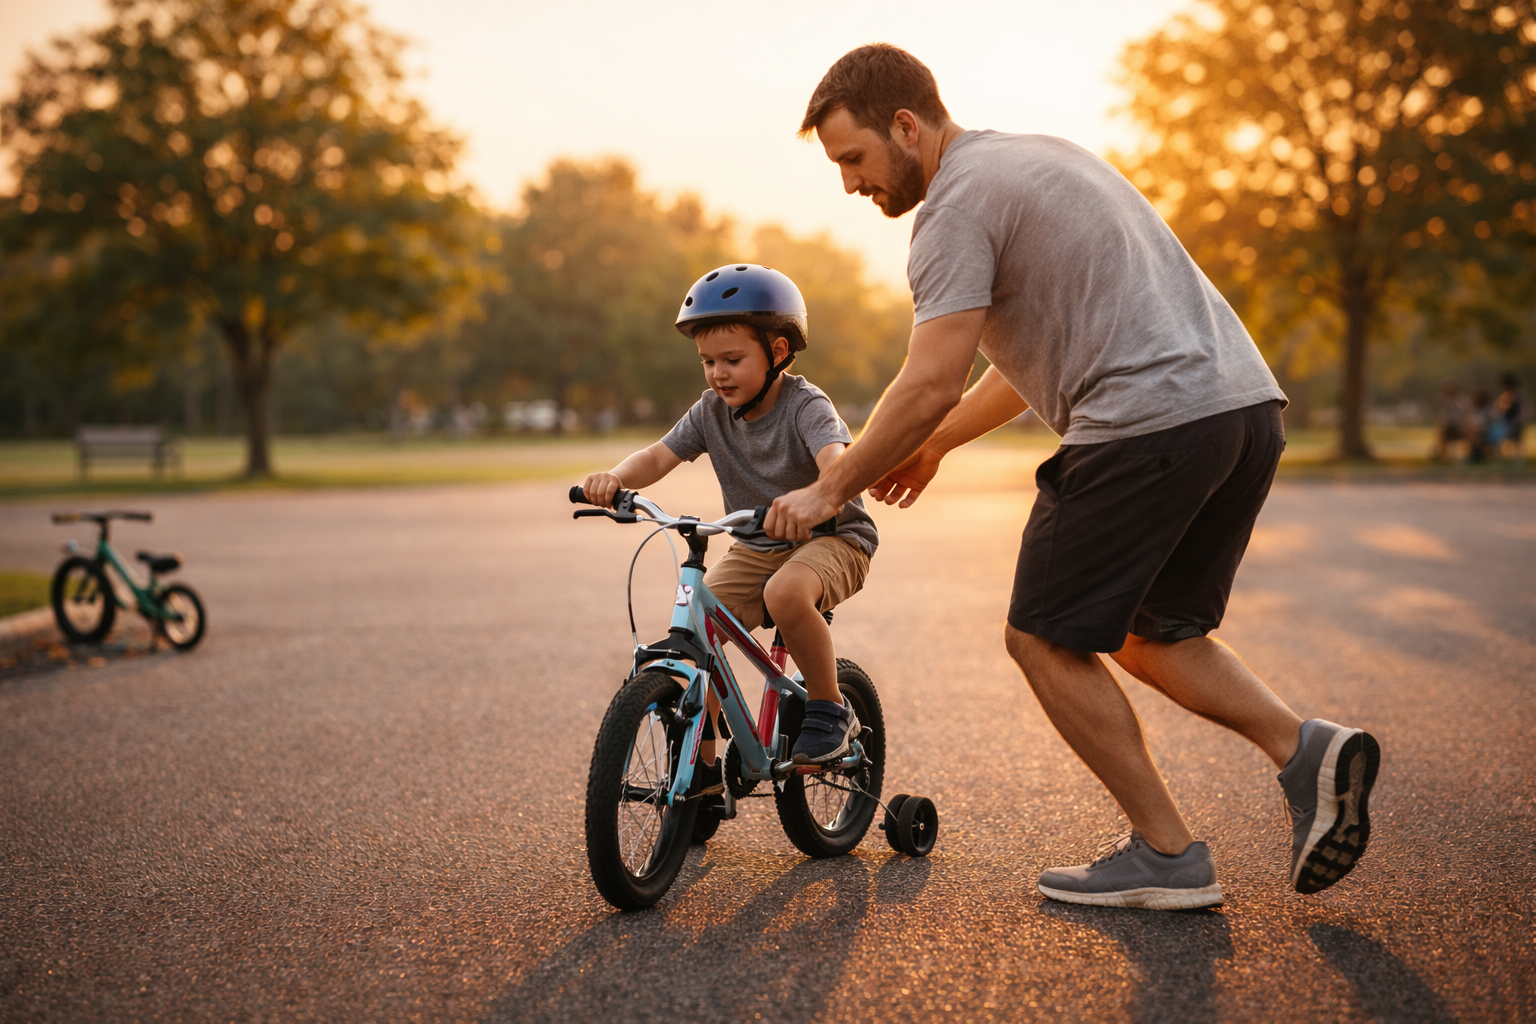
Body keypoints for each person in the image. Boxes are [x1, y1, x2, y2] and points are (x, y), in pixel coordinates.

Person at [768, 44, 1380, 909]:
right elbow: (1025, 365)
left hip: (1147, 426)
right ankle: (1308, 753)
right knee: (1148, 629)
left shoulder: (950, 211)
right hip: (1241, 415)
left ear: (907, 126)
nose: (849, 184)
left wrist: (832, 487)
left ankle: (1168, 856)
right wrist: (937, 444)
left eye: (854, 159)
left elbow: (929, 377)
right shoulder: (1041, 158)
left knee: (1043, 636)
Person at [580, 264, 878, 766]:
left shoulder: (808, 406)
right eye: (707, 361)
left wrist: (820, 498)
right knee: (700, 626)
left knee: (784, 592)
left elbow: (838, 464)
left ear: (777, 352)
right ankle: (702, 764)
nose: (718, 373)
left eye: (733, 359)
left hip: (833, 538)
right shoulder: (709, 411)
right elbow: (658, 455)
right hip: (757, 543)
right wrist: (615, 478)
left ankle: (829, 708)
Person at [1433, 383, 1469, 462]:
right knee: (1444, 429)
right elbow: (1442, 417)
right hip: (1450, 426)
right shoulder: (1446, 403)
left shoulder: (1461, 402)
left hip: (1459, 426)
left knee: (1448, 430)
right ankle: (1440, 451)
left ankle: (1440, 452)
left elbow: (1464, 415)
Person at [1494, 374, 1525, 461]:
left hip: (1514, 422)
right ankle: (1501, 457)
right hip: (1503, 423)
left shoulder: (1518, 396)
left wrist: (1517, 421)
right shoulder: (1504, 396)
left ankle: (1517, 458)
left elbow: (1522, 411)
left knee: (1516, 440)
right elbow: (1497, 410)